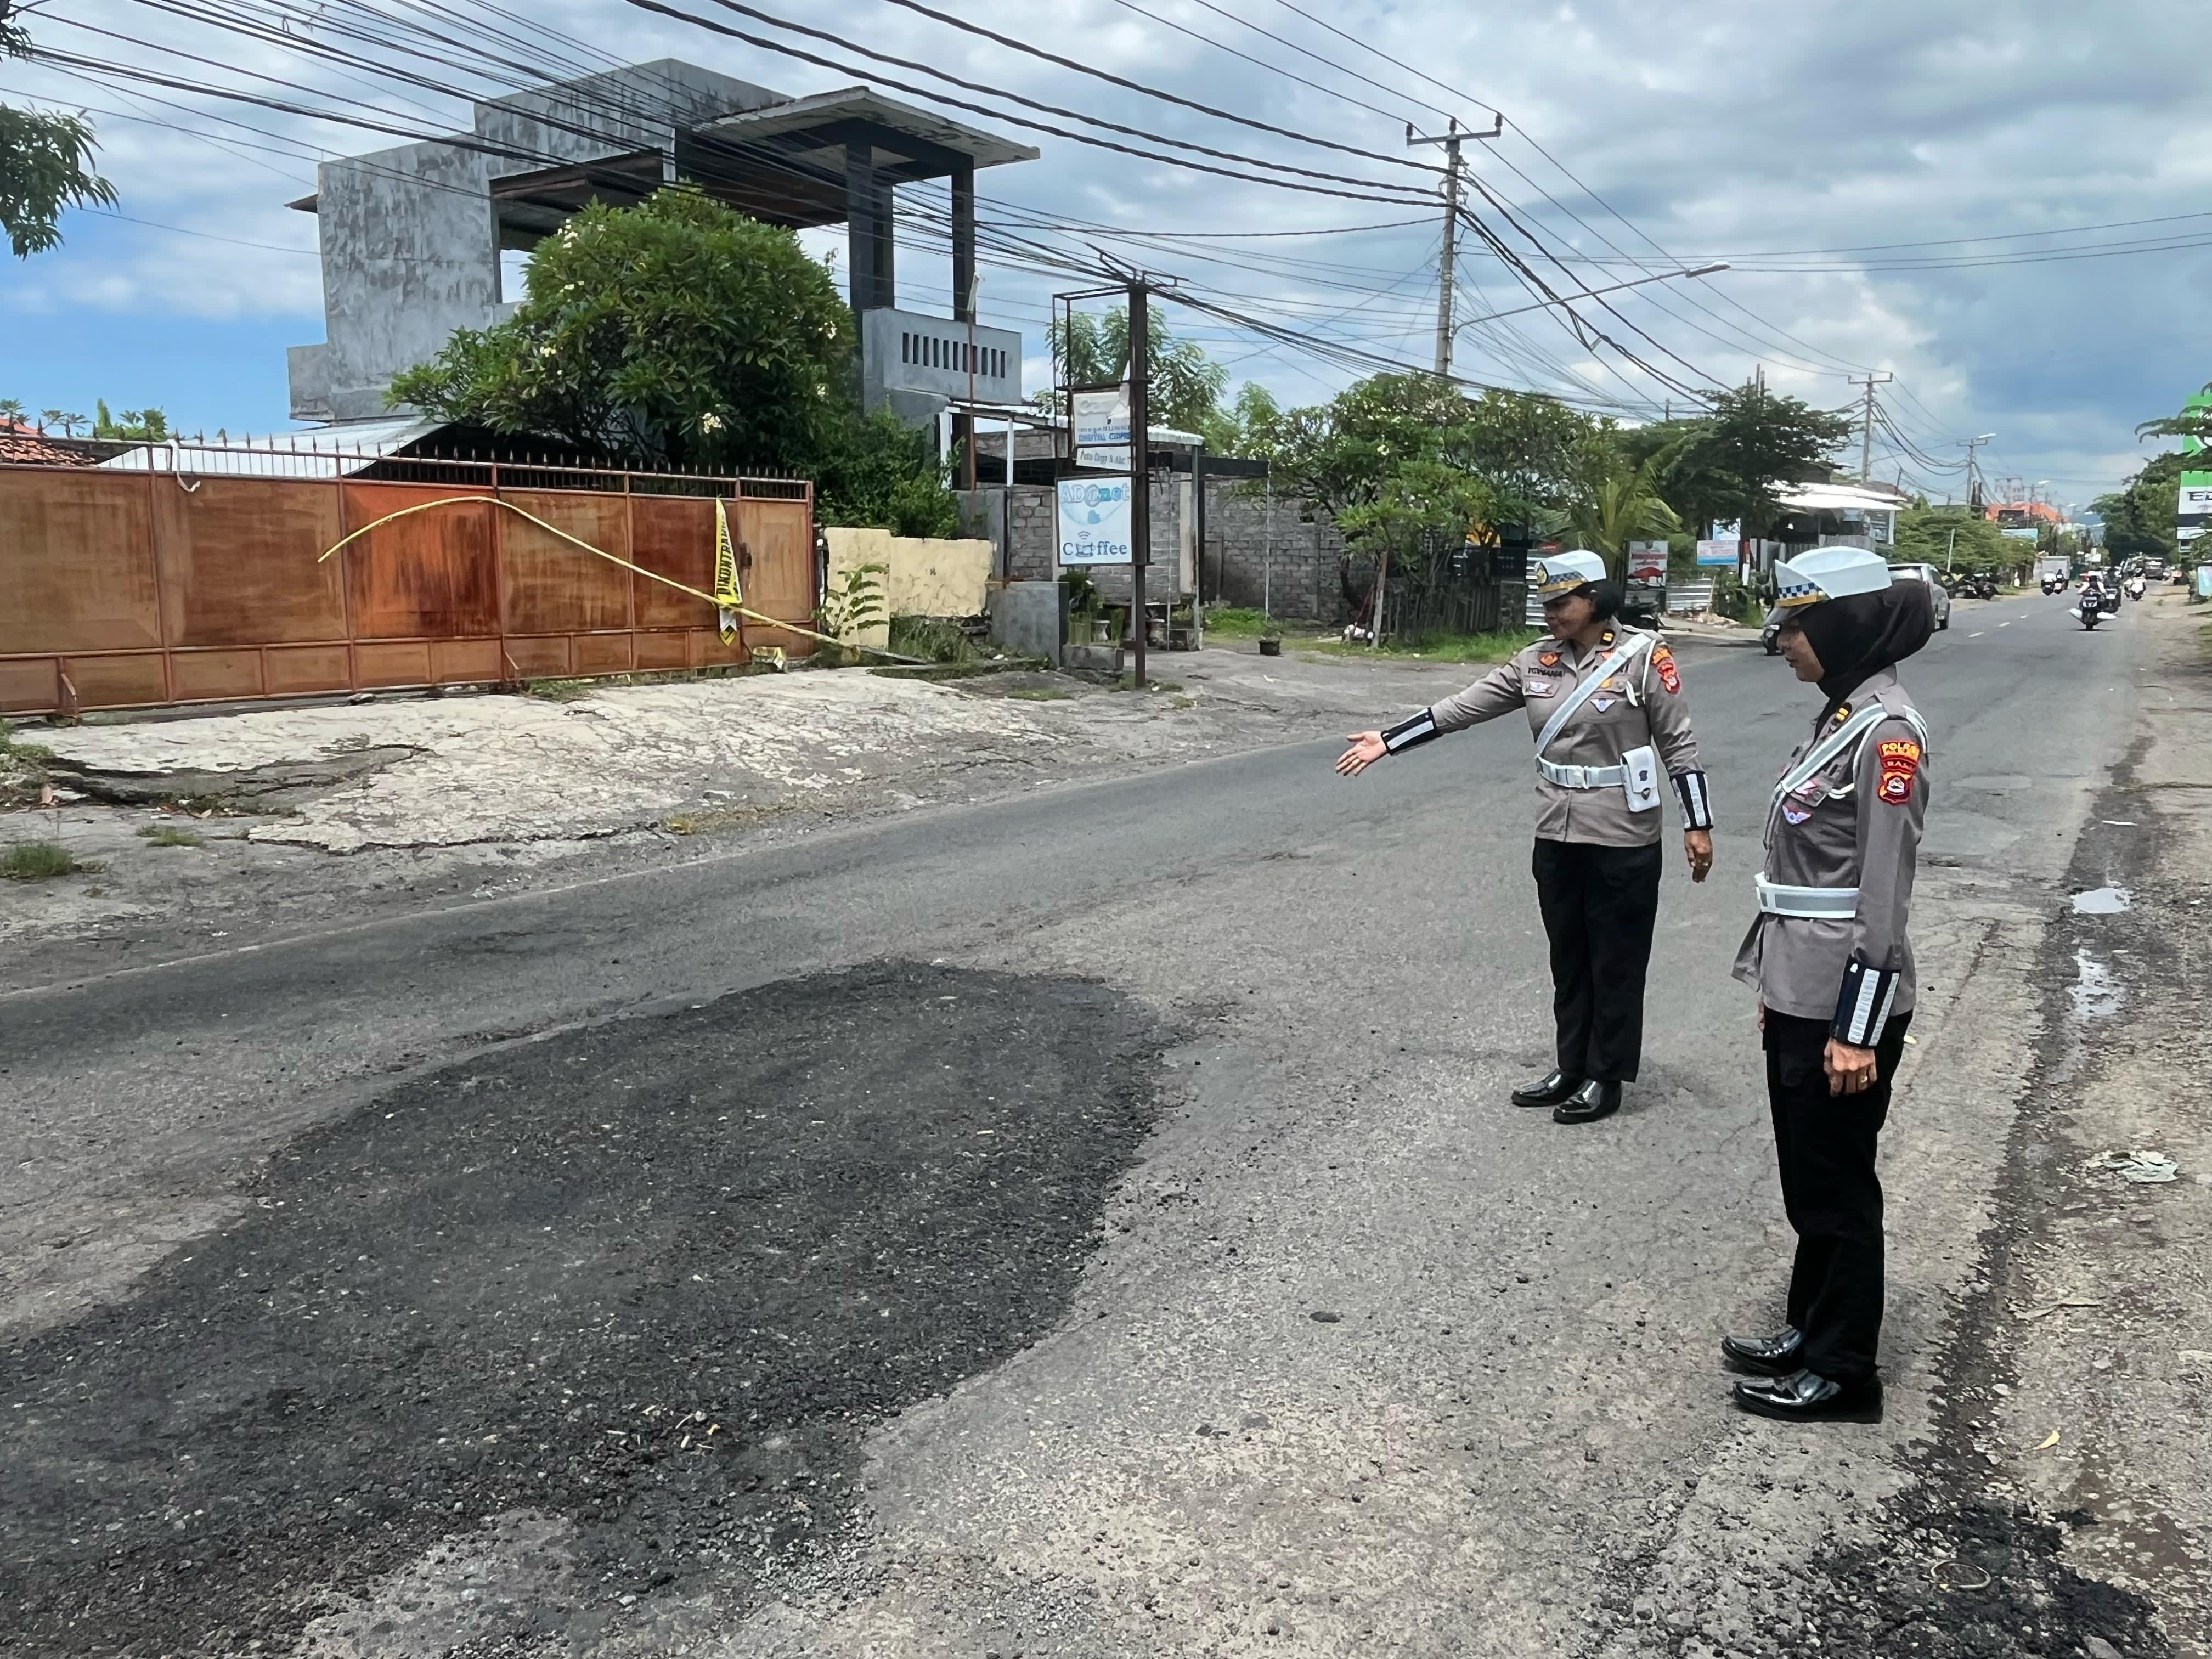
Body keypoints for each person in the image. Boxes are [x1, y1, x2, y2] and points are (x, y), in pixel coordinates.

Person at [1335, 549, 1716, 1125]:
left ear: (1596, 600)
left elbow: (1679, 745)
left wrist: (1698, 823)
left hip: (1622, 834)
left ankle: (1606, 1075)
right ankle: (1571, 1065)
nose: (1552, 614)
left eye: (1562, 603)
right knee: (1569, 956)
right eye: (1546, 604)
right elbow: (1462, 708)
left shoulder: (1644, 658)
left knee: (1614, 959)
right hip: (1557, 832)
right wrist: (1389, 740)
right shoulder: (1534, 662)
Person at [1725, 545, 1934, 1423]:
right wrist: (1777, 988)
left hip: (1844, 1004)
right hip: (1801, 988)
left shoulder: (1888, 734)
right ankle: (1810, 1325)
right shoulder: (1842, 715)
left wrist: (1854, 1028)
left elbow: (1881, 897)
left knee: (1838, 1187)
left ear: (1842, 623)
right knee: (1809, 1178)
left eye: (1796, 624)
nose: (1783, 641)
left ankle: (1846, 1370)